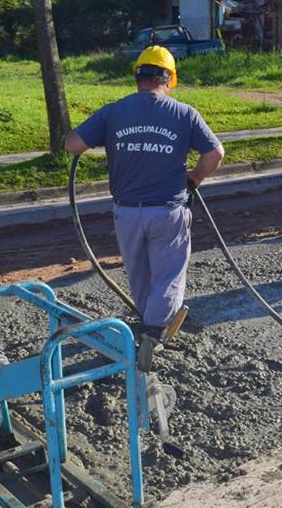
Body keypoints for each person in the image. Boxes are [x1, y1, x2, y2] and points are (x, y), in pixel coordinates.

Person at [65, 45, 225, 342]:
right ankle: (153, 335)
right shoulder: (184, 114)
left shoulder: (114, 111)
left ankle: (146, 325)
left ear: (137, 76)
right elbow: (215, 153)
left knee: (139, 275)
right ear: (169, 79)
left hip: (126, 212)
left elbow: (73, 145)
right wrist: (196, 176)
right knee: (168, 275)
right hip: (167, 211)